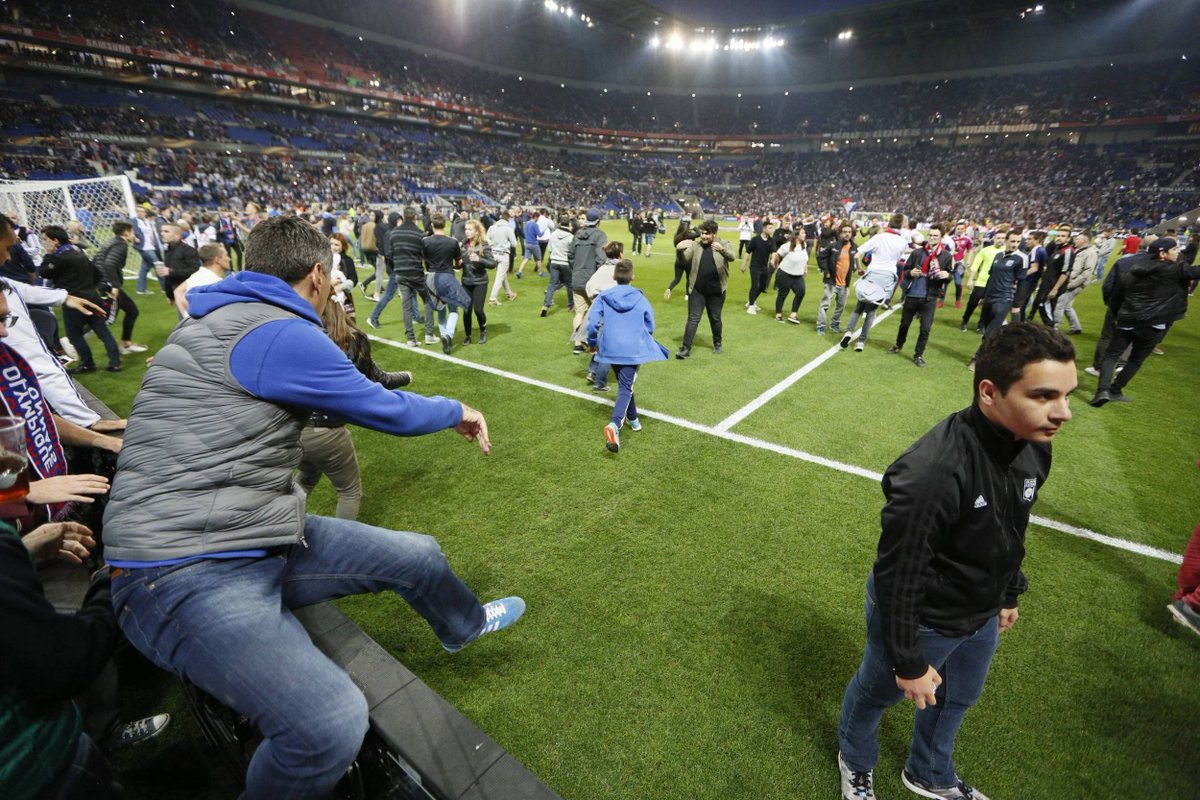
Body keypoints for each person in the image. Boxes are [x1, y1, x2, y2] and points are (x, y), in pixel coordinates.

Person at [102, 216, 525, 800]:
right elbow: (385, 408)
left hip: (247, 533)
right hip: (177, 570)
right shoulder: (276, 329)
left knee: (418, 555)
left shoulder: (206, 322)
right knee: (327, 725)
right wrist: (458, 409)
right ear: (319, 275)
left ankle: (465, 625)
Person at [837, 323, 1077, 800]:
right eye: (1044, 395)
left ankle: (927, 772)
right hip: (925, 617)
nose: (1063, 412)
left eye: (1067, 395)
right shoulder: (933, 473)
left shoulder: (1034, 443)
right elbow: (899, 576)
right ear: (989, 391)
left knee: (958, 696)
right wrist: (907, 660)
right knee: (878, 691)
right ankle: (855, 759)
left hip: (982, 609)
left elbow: (1012, 527)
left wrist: (1008, 592)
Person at [297, 301, 412, 521]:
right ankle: (341, 544)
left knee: (308, 475)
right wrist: (406, 376)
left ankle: (283, 528)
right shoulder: (353, 340)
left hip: (295, 429)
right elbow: (378, 378)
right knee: (349, 491)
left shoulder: (302, 339)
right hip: (327, 431)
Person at [1089, 238, 1200, 406]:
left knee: (1111, 355)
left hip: (1127, 320)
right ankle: (1115, 390)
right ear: (1162, 254)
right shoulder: (1177, 269)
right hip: (1153, 324)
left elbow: (1116, 293)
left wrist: (1117, 313)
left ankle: (1102, 390)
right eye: (1175, 249)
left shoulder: (1132, 267)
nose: (1178, 252)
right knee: (1135, 360)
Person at [586, 259, 668, 453]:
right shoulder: (640, 298)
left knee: (626, 384)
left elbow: (592, 324)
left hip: (611, 347)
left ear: (614, 276)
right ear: (632, 276)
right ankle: (615, 425)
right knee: (625, 387)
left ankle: (634, 420)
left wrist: (592, 343)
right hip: (632, 349)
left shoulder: (604, 296)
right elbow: (651, 324)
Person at [37, 226, 122, 375]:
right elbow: (96, 273)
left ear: (55, 240)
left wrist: (49, 255)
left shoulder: (59, 257)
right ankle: (115, 363)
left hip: (74, 301)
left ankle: (88, 364)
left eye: (45, 239)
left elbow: (44, 273)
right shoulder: (78, 252)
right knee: (103, 331)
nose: (44, 242)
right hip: (92, 297)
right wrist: (89, 288)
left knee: (74, 334)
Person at [888, 226, 952, 367]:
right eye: (931, 235)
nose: (932, 237)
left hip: (929, 298)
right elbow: (906, 269)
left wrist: (947, 276)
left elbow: (949, 275)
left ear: (941, 237)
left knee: (925, 329)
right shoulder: (917, 252)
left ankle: (918, 355)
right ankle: (898, 345)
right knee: (904, 324)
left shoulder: (946, 255)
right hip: (912, 294)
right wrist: (911, 273)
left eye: (936, 235)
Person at [966, 231, 1027, 373]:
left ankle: (977, 359)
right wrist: (983, 297)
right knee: (991, 332)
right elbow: (991, 278)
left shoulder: (1021, 258)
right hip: (989, 297)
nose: (1015, 244)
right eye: (1012, 241)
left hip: (1004, 299)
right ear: (1006, 240)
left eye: (1018, 242)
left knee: (990, 332)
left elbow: (1022, 283)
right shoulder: (998, 256)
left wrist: (1017, 304)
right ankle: (1004, 355)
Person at [675, 220, 736, 359]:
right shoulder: (696, 245)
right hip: (698, 289)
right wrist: (679, 250)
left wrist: (721, 249)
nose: (703, 236)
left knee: (715, 318)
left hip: (716, 290)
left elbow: (732, 257)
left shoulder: (724, 243)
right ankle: (685, 348)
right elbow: (684, 260)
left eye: (706, 234)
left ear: (714, 234)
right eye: (702, 233)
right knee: (693, 319)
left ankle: (717, 343)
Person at [568, 209, 609, 355]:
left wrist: (577, 269)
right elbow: (601, 258)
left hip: (577, 277)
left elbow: (570, 255)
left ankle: (578, 344)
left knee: (579, 313)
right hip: (593, 281)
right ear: (598, 221)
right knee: (598, 314)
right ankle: (595, 345)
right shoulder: (600, 235)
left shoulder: (578, 234)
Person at [1051, 232, 1097, 334]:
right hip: (1071, 281)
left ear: (1084, 240)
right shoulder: (1078, 250)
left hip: (1076, 283)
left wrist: (1072, 284)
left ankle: (1054, 327)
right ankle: (1076, 327)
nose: (1075, 240)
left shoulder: (1090, 253)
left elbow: (1087, 272)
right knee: (1067, 306)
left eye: (1077, 239)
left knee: (1060, 303)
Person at [817, 223, 858, 335]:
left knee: (841, 306)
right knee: (825, 304)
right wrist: (826, 271)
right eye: (845, 232)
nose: (847, 234)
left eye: (849, 232)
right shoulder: (833, 246)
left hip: (845, 284)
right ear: (840, 233)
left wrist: (856, 268)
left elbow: (855, 262)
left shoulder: (855, 248)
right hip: (832, 282)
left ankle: (834, 324)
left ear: (852, 233)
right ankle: (821, 326)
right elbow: (821, 257)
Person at [460, 219, 495, 345]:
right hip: (466, 282)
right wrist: (458, 264)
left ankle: (483, 331)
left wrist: (479, 259)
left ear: (476, 231)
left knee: (478, 310)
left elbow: (492, 264)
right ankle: (468, 335)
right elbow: (459, 264)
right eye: (465, 229)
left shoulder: (484, 244)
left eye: (469, 229)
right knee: (466, 310)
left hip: (480, 281)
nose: (467, 232)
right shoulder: (463, 244)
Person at [772, 231, 809, 324]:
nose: (805, 235)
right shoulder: (787, 246)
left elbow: (804, 258)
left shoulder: (804, 244)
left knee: (801, 292)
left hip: (798, 275)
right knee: (783, 294)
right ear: (797, 235)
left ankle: (793, 314)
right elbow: (777, 254)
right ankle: (778, 314)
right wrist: (775, 265)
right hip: (785, 273)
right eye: (803, 233)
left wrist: (805, 268)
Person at [741, 220, 777, 314]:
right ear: (764, 229)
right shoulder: (755, 240)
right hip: (755, 267)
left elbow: (773, 252)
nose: (772, 230)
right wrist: (744, 265)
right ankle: (751, 307)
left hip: (764, 267)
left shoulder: (771, 240)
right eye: (770, 228)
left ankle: (751, 301)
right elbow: (748, 252)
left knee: (762, 287)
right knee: (755, 286)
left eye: (772, 228)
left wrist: (773, 260)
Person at [542, 215, 575, 317]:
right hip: (565, 262)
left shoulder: (553, 234)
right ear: (569, 224)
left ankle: (546, 305)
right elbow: (572, 252)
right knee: (569, 284)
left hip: (554, 262)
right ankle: (571, 305)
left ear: (560, 223)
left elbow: (550, 250)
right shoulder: (571, 237)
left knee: (552, 284)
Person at [486, 208, 519, 305]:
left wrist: (492, 244)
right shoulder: (508, 228)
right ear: (508, 219)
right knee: (499, 278)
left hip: (493, 254)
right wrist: (506, 243)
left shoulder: (492, 227)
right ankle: (492, 299)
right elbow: (514, 244)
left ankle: (509, 294)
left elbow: (486, 238)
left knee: (502, 275)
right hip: (503, 254)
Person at [663, 220, 694, 301]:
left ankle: (669, 289)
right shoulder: (689, 235)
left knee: (677, 278)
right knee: (689, 278)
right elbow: (698, 234)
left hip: (678, 260)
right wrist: (694, 227)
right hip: (688, 260)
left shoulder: (676, 236)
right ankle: (687, 295)